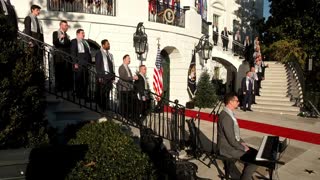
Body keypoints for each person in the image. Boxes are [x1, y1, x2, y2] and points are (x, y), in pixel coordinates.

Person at [217, 92, 258, 180]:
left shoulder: (229, 113)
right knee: (255, 160)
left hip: (232, 144)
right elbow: (231, 140)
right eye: (237, 101)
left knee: (256, 153)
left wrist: (243, 143)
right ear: (230, 102)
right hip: (227, 148)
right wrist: (243, 148)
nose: (238, 102)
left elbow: (235, 135)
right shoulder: (226, 117)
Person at [70, 29, 92, 99]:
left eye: (84, 33)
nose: (84, 34)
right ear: (78, 34)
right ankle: (78, 94)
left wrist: (89, 63)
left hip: (85, 64)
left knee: (85, 80)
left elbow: (88, 53)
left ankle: (84, 94)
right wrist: (75, 63)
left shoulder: (85, 42)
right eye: (82, 33)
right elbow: (73, 53)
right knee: (78, 80)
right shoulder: (74, 41)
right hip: (78, 64)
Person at [95, 39, 115, 112]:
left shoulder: (110, 55)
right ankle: (101, 106)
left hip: (109, 77)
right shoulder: (99, 53)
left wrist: (113, 76)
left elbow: (112, 66)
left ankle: (106, 106)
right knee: (102, 92)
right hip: (103, 76)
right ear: (103, 45)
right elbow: (98, 66)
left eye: (109, 44)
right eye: (107, 44)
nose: (109, 45)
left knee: (108, 92)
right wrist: (99, 76)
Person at [52, 20, 71, 91]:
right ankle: (58, 87)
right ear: (61, 25)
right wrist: (60, 38)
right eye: (65, 25)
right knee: (58, 70)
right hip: (58, 55)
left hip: (66, 55)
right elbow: (54, 42)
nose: (66, 27)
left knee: (65, 71)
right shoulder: (55, 33)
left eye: (67, 25)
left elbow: (68, 45)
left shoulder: (67, 35)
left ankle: (64, 87)